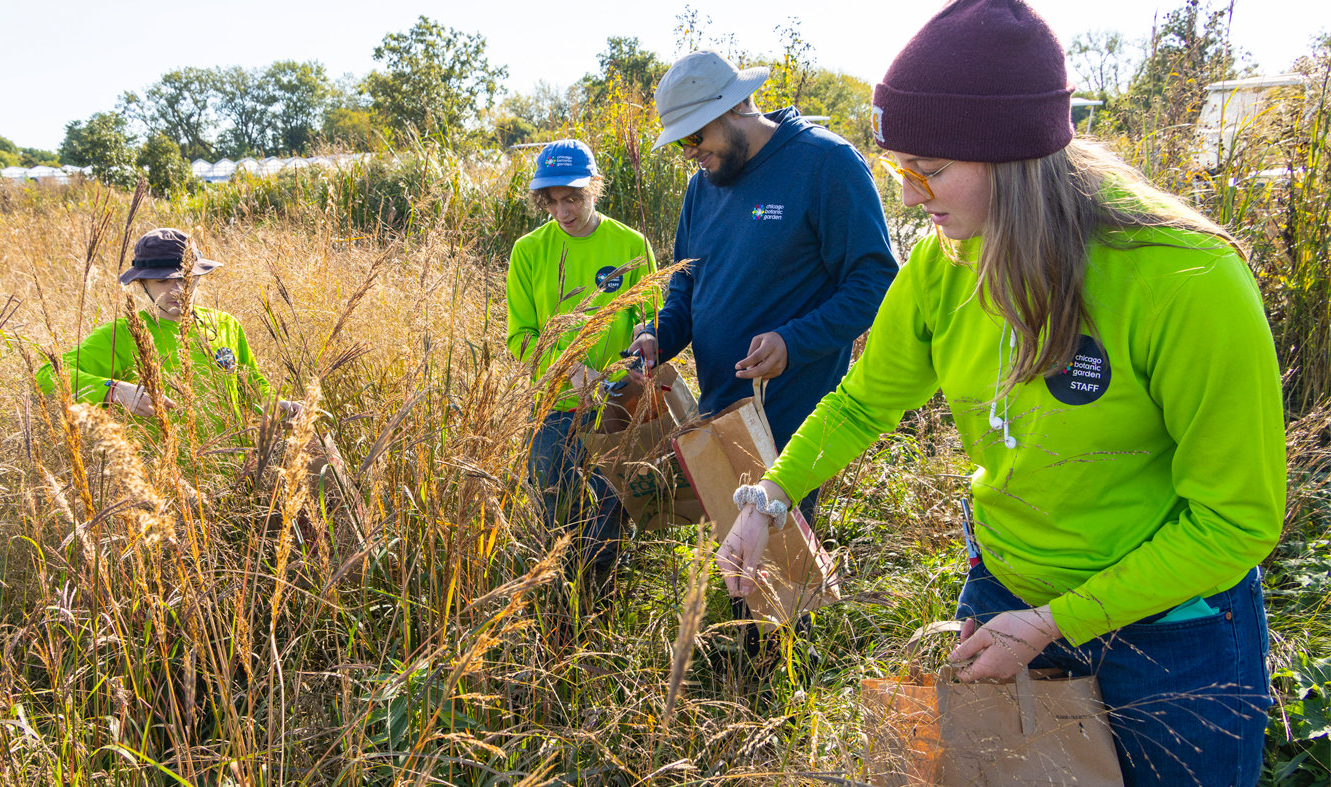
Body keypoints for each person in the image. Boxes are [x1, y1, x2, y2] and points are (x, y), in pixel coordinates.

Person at [717, 1, 1282, 784]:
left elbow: (1234, 519)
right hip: (1005, 590)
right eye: (899, 168)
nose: (910, 196)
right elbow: (863, 402)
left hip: (1172, 633)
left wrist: (1056, 623)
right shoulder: (943, 261)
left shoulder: (1186, 280)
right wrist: (771, 497)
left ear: (1018, 158)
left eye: (932, 169)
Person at [630, 49, 897, 665]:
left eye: (696, 136)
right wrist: (659, 338)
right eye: (680, 143)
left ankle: (774, 696)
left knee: (778, 553)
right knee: (734, 549)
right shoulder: (704, 187)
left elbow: (876, 281)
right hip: (725, 407)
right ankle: (741, 672)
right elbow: (689, 284)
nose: (690, 152)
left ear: (734, 108)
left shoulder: (825, 164)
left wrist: (792, 341)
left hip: (794, 408)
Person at [506, 139, 659, 589]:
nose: (562, 211)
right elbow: (520, 337)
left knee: (610, 513)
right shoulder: (529, 251)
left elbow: (650, 317)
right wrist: (568, 368)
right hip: (554, 409)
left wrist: (645, 339)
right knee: (556, 512)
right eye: (551, 201)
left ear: (595, 186)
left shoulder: (630, 244)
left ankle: (602, 601)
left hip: (616, 407)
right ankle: (557, 602)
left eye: (571, 197)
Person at [36, 227, 298, 426]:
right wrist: (114, 390)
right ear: (142, 284)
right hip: (166, 477)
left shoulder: (225, 324)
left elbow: (250, 382)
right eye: (163, 281)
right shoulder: (124, 333)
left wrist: (275, 403)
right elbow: (48, 375)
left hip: (233, 467)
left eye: (186, 278)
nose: (178, 290)